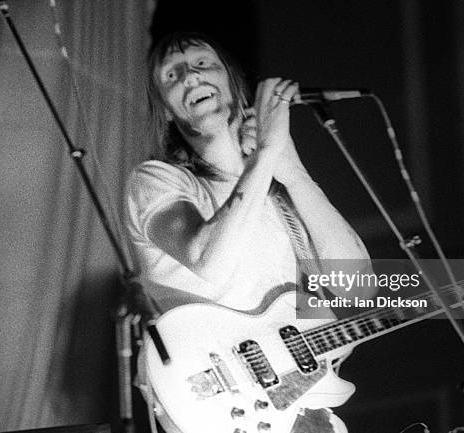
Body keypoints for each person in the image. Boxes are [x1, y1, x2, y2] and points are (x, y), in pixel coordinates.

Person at [126, 32, 375, 433]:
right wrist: (267, 155)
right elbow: (210, 261)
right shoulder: (157, 180)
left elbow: (357, 286)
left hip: (300, 407)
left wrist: (291, 170)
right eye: (172, 76)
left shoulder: (278, 188)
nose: (190, 75)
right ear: (167, 111)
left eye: (203, 64)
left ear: (233, 83)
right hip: (216, 403)